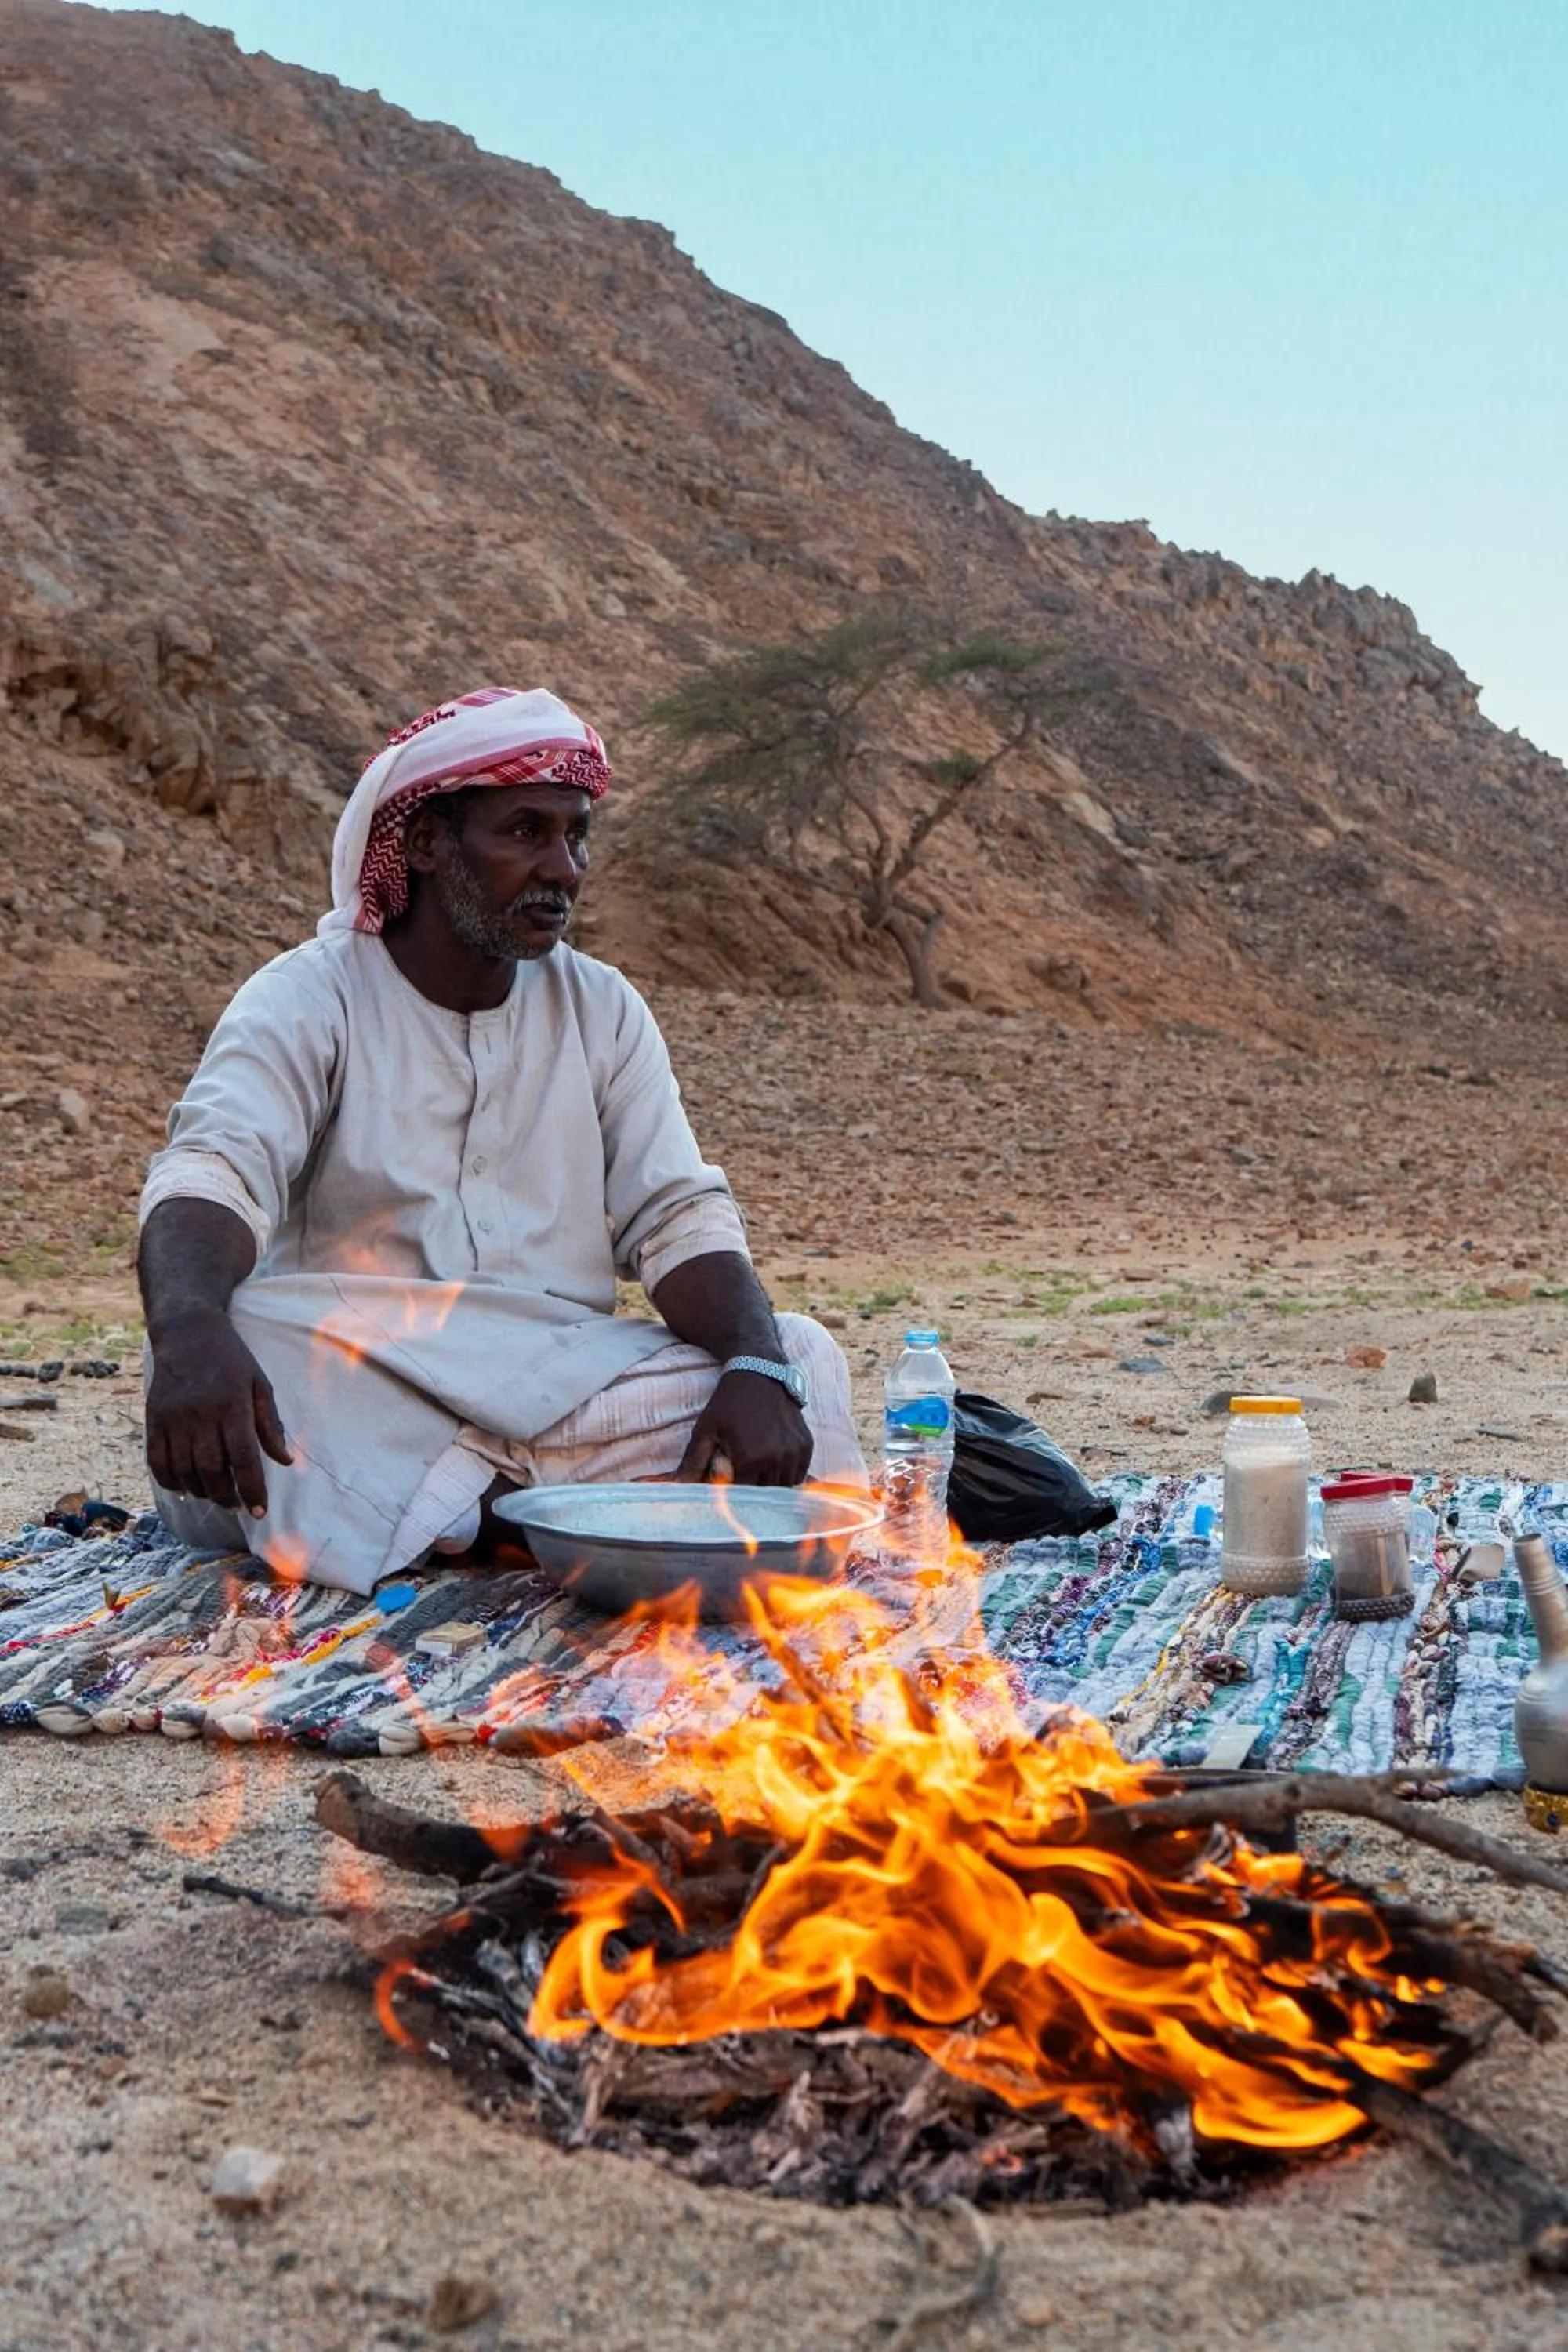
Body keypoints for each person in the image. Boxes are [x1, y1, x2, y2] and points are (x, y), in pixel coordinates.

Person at [137, 686, 866, 1595]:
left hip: (558, 1379)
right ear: (427, 845)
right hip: (365, 1381)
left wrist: (755, 1365)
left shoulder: (602, 1008)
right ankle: (578, 1519)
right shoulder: (306, 998)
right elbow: (213, 1172)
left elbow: (677, 1218)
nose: (561, 867)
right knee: (241, 1322)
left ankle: (470, 1520)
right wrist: (189, 1330)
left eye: (575, 836)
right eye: (524, 832)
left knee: (796, 1351)